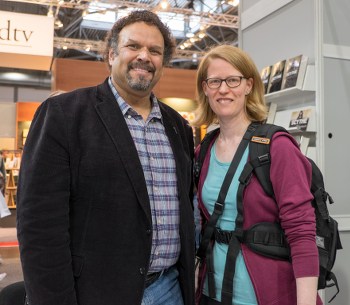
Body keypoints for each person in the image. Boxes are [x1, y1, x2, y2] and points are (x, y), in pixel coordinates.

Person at [17, 10, 195, 305]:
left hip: (169, 290)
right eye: (133, 46)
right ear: (111, 55)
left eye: (155, 51)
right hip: (94, 293)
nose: (144, 56)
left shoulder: (178, 126)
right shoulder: (64, 114)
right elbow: (39, 227)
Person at [192, 45, 321, 305]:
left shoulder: (276, 146)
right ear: (205, 89)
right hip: (210, 293)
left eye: (233, 80)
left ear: (249, 85)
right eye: (214, 81)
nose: (223, 89)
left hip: (266, 295)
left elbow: (302, 232)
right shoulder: (203, 150)